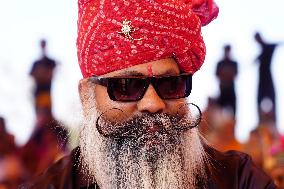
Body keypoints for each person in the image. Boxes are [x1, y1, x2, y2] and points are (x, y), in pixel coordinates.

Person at [21, 0, 276, 188]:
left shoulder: (238, 179)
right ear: (87, 97)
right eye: (126, 87)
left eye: (170, 84)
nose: (153, 104)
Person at [254, 32, 278, 124]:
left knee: (272, 100)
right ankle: (260, 123)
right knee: (259, 101)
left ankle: (274, 123)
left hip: (268, 79)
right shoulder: (262, 51)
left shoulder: (268, 47)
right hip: (262, 80)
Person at [216, 45, 238, 116]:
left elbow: (235, 75)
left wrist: (225, 74)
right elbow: (217, 75)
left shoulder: (234, 63)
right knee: (219, 112)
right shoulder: (220, 63)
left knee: (233, 112)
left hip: (231, 90)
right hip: (222, 90)